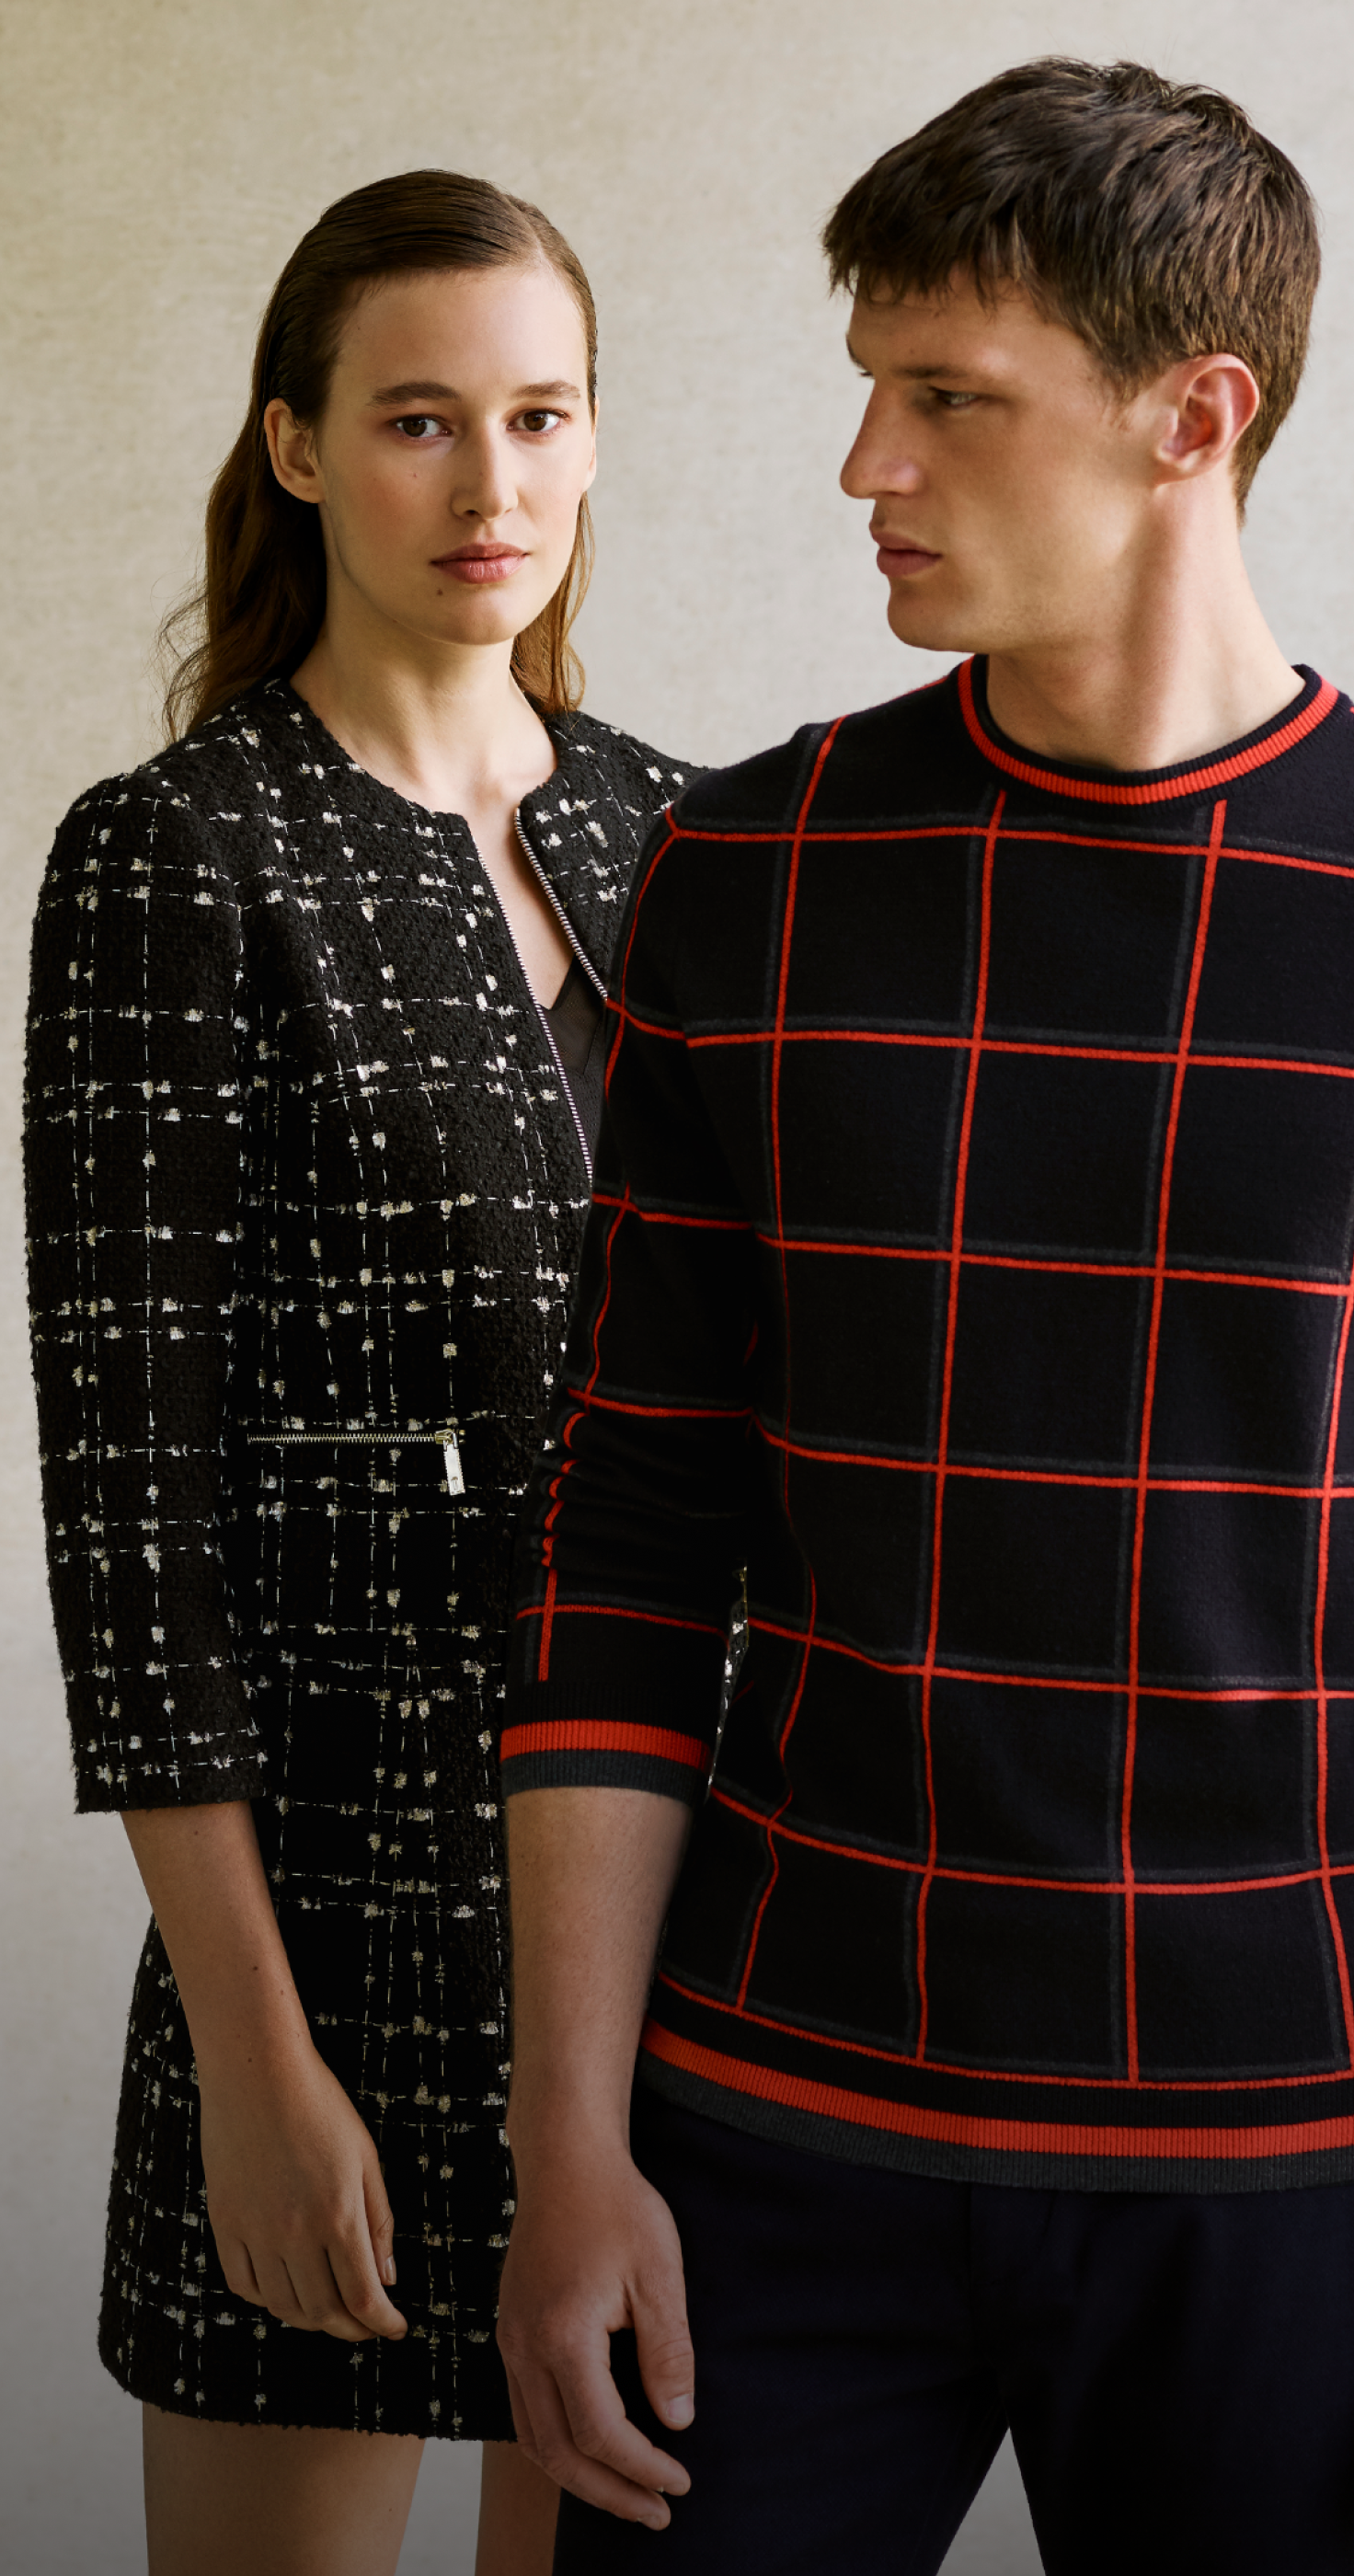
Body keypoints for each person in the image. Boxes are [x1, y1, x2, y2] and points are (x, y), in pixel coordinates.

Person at [494, 59, 1354, 2576]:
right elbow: (627, 1543)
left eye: (947, 398)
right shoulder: (744, 878)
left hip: (1291, 2165)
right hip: (769, 2130)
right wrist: (567, 2156)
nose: (865, 464)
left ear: (1198, 418)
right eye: (871, 386)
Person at [24, 169, 694, 2576]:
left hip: (656, 1908)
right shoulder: (177, 855)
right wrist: (253, 2058)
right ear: (301, 446)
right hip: (317, 1902)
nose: (492, 484)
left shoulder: (681, 836)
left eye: (541, 415)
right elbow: (135, 1516)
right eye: (421, 420)